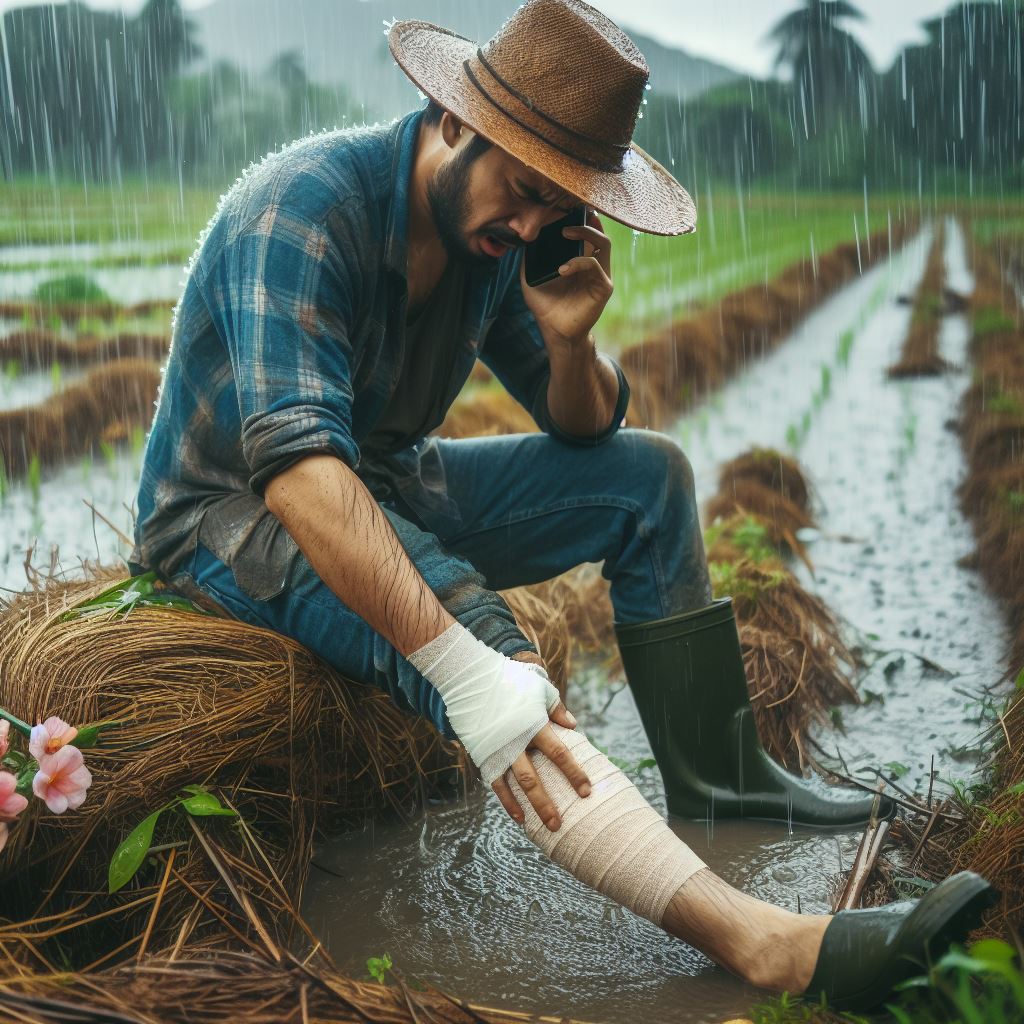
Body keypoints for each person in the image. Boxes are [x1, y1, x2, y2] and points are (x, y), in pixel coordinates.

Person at [128, 0, 994, 1008]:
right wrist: (468, 664)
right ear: (452, 121)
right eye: (525, 191)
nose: (534, 225)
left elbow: (581, 427)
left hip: (386, 476)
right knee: (488, 657)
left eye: (559, 207)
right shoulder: (304, 209)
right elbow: (299, 474)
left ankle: (725, 779)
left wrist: (572, 338)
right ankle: (762, 941)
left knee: (648, 475)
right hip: (233, 516)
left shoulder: (495, 240)